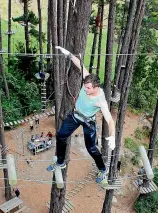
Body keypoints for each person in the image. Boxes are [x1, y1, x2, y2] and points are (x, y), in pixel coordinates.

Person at [46, 46, 116, 186]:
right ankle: (60, 162)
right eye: (85, 86)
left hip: (88, 122)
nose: (85, 89)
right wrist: (69, 54)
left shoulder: (100, 100)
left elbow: (109, 119)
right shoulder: (88, 80)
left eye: (88, 88)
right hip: (75, 116)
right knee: (60, 135)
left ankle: (103, 170)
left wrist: (112, 136)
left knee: (91, 148)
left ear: (96, 87)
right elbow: (79, 64)